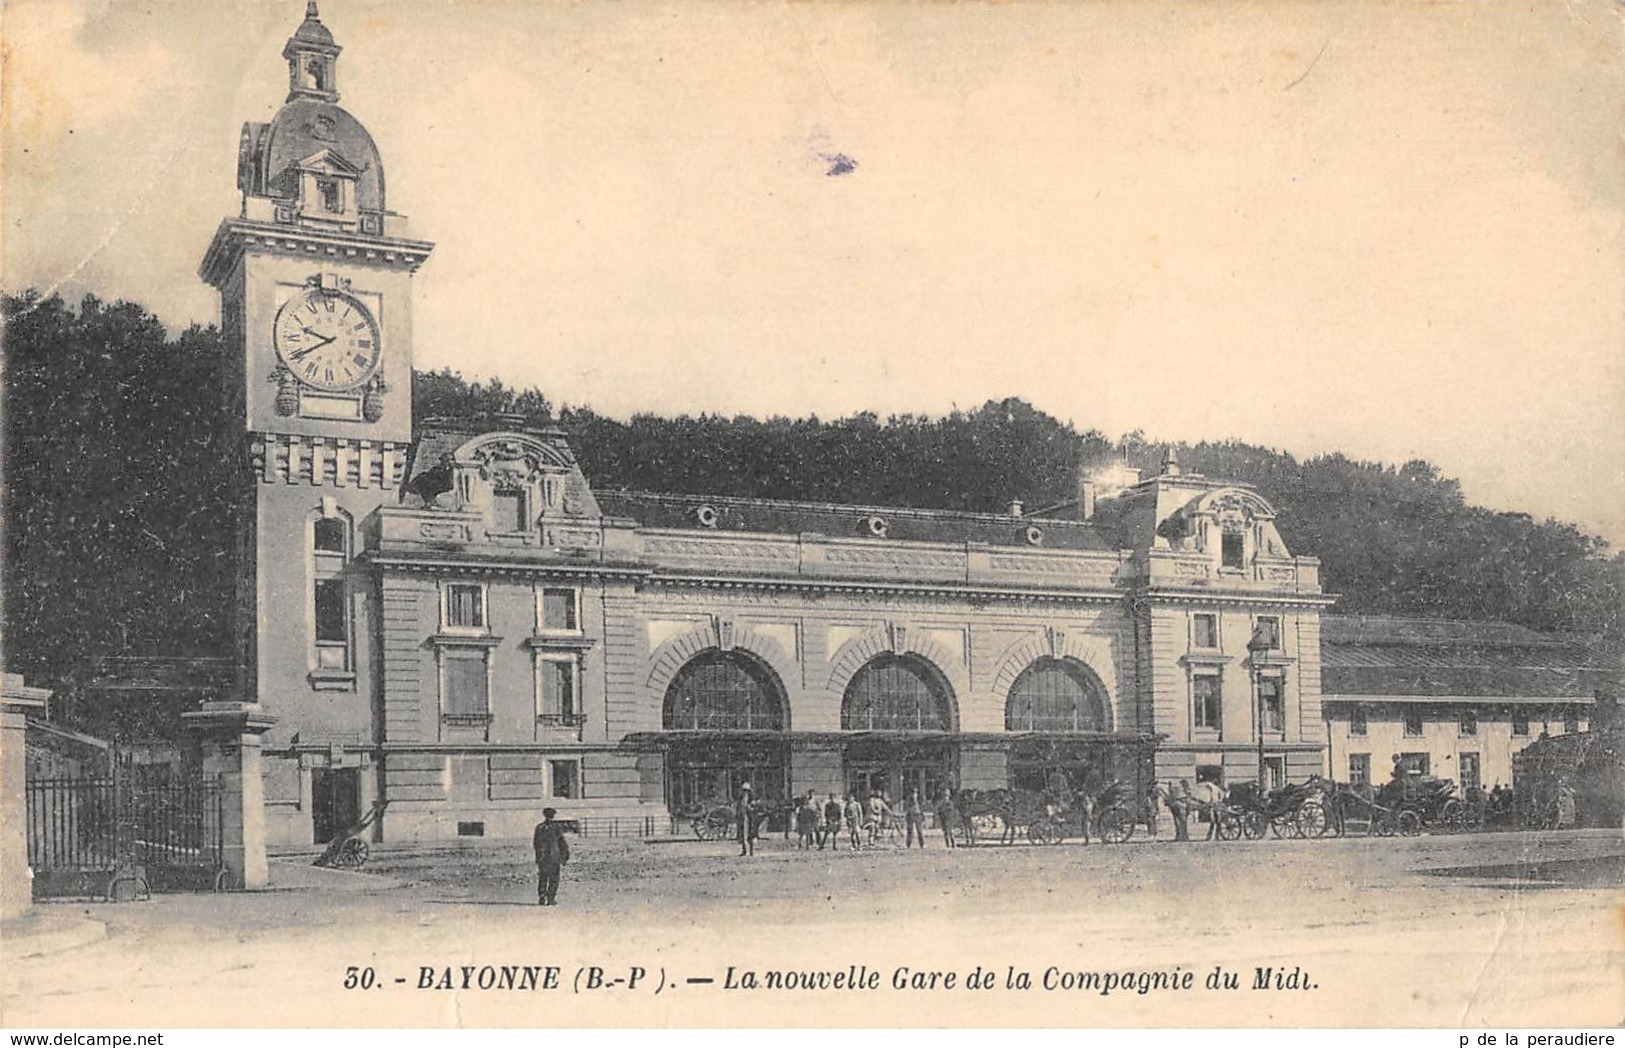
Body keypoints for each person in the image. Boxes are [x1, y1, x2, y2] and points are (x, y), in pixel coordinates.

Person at [532, 807, 570, 906]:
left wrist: (538, 856)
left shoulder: (539, 827)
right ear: (553, 815)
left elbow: (536, 843)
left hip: (543, 857)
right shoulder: (557, 827)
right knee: (554, 878)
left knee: (543, 877)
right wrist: (565, 856)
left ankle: (542, 896)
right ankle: (550, 898)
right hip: (554, 857)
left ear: (544, 815)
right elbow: (562, 842)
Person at [1192, 776, 1225, 841]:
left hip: (1215, 806)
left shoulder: (1213, 788)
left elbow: (1219, 797)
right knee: (1215, 822)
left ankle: (1213, 836)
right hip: (1214, 806)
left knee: (1214, 822)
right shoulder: (1215, 788)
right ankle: (1215, 836)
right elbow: (1221, 797)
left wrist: (1217, 802)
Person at [736, 783, 758, 857]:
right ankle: (744, 850)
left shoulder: (751, 799)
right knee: (742, 834)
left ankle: (751, 851)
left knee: (750, 834)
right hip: (742, 817)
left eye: (746, 791)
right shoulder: (740, 799)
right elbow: (738, 807)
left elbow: (754, 808)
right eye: (744, 791)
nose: (745, 792)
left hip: (749, 818)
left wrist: (750, 807)